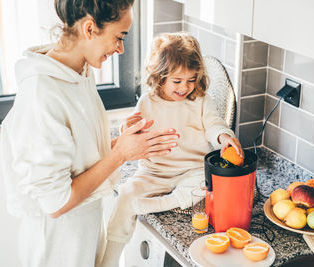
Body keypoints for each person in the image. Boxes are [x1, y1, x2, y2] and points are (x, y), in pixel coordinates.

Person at [0, 1, 179, 267]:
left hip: (83, 229)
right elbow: (56, 202)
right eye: (119, 37)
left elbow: (76, 155)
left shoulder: (78, 71)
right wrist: (120, 154)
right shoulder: (42, 93)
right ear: (90, 28)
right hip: (57, 245)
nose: (120, 49)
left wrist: (125, 143)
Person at [100, 32, 244, 267]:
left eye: (191, 80)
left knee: (206, 184)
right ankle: (109, 259)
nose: (185, 87)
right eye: (177, 81)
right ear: (160, 77)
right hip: (154, 172)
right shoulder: (147, 102)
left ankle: (161, 203)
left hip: (191, 171)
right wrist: (130, 127)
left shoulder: (201, 101)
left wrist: (224, 137)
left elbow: (214, 124)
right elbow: (132, 130)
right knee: (125, 195)